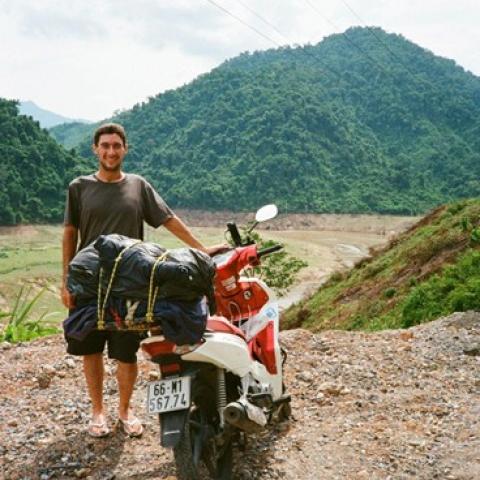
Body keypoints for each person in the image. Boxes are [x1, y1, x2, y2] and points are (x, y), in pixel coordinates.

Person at [62, 122, 225, 438]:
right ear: (95, 149)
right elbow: (69, 233)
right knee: (90, 348)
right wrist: (66, 279)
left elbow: (168, 220)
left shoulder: (138, 186)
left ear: (125, 149)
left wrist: (201, 250)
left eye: (116, 145)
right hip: (89, 283)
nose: (111, 151)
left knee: (125, 350)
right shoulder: (79, 187)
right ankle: (98, 412)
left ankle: (125, 410)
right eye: (105, 145)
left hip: (131, 285)